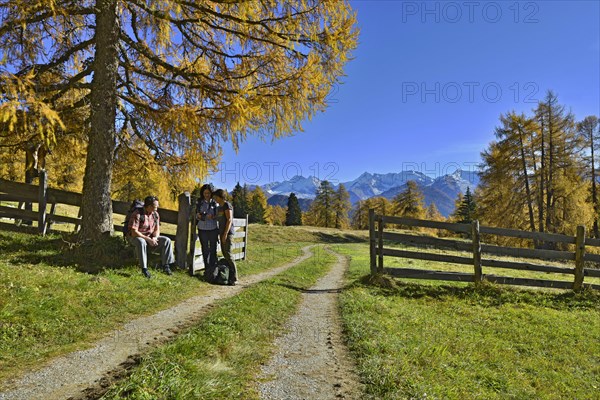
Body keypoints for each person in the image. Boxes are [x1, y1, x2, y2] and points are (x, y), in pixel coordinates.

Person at [127, 195, 175, 278]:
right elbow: (134, 232)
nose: (157, 208)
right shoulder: (137, 214)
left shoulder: (155, 214)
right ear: (149, 206)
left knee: (166, 240)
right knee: (141, 242)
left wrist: (155, 238)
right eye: (155, 206)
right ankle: (144, 269)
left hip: (149, 237)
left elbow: (157, 229)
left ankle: (166, 266)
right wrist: (148, 239)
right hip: (135, 237)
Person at [212, 189, 238, 285]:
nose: (214, 199)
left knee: (228, 254)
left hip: (227, 233)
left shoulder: (227, 205)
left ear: (220, 196)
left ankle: (234, 277)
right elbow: (219, 218)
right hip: (222, 233)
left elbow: (229, 220)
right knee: (225, 253)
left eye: (215, 197)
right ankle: (229, 276)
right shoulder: (219, 207)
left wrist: (225, 234)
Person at [195, 183, 219, 280]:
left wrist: (212, 216)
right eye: (205, 193)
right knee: (205, 249)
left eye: (208, 193)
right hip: (202, 229)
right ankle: (207, 269)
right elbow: (197, 215)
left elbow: (218, 215)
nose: (206, 195)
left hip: (213, 228)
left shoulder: (215, 202)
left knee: (213, 249)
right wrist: (203, 216)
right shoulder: (199, 202)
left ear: (211, 193)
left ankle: (213, 270)